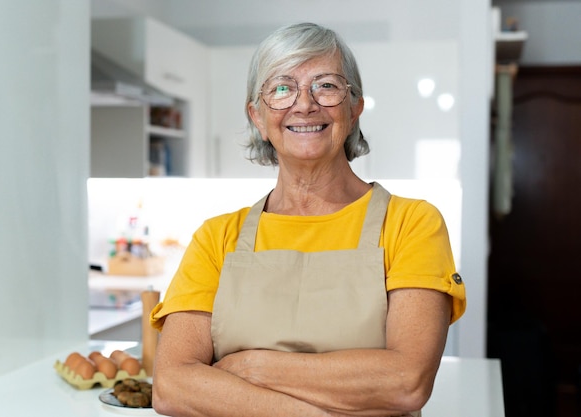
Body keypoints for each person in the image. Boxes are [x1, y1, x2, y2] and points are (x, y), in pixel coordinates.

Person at [149, 22, 466, 417]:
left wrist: (250, 368)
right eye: (281, 88)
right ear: (258, 118)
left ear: (354, 110)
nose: (304, 104)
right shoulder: (217, 238)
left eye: (326, 86)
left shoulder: (412, 223)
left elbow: (406, 382)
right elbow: (171, 386)